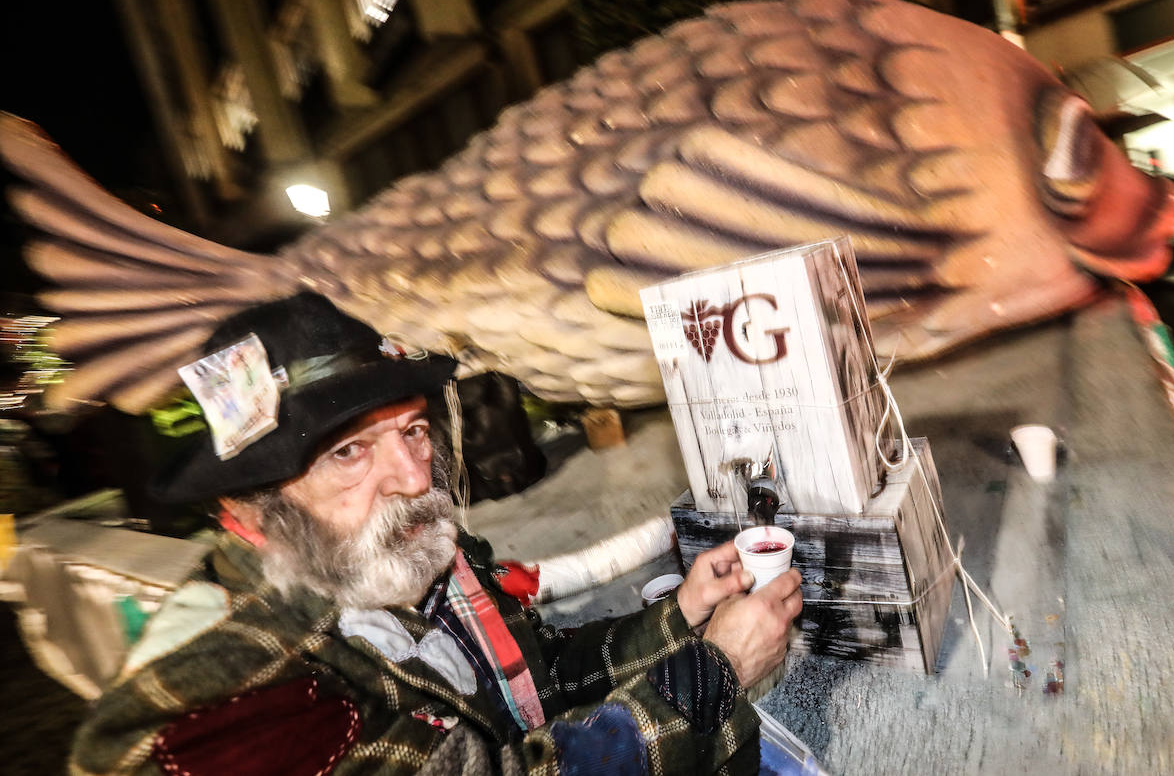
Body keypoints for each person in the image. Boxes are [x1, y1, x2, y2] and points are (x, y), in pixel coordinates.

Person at [70, 292, 803, 775]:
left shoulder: (406, 560)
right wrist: (710, 672)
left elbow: (536, 678)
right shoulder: (225, 696)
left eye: (414, 431)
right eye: (349, 452)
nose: (415, 477)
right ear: (253, 506)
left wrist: (680, 620)